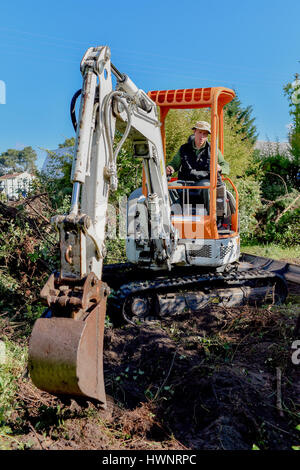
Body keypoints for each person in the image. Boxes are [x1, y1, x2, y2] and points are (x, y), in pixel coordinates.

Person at [166, 121, 229, 214]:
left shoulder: (213, 149)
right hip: (185, 181)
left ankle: (211, 217)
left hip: (203, 181)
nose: (202, 136)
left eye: (204, 134)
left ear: (207, 136)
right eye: (200, 132)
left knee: (207, 187)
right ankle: (176, 214)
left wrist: (220, 168)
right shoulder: (184, 148)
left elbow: (225, 165)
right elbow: (174, 164)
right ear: (194, 132)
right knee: (170, 186)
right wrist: (170, 168)